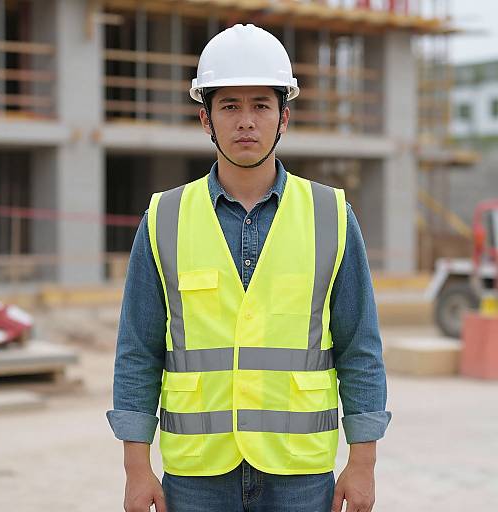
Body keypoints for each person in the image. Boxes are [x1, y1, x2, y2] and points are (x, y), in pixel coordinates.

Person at [107, 24, 391, 512]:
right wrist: (137, 468)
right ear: (205, 119)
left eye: (260, 105)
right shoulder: (164, 218)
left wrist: (362, 462)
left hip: (300, 471)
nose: (245, 122)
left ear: (284, 117)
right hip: (197, 472)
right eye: (230, 106)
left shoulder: (332, 215)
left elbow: (359, 348)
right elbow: (138, 350)